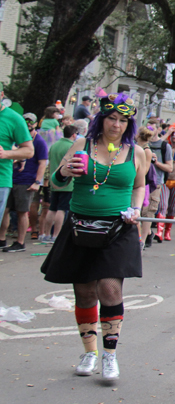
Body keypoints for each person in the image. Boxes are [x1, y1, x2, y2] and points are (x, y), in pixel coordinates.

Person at [41, 93, 147, 381]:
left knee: (110, 288)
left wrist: (135, 208)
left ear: (129, 124)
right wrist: (64, 171)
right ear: (102, 119)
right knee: (85, 291)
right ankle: (89, 352)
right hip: (80, 226)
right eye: (112, 118)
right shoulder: (82, 145)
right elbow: (57, 180)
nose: (116, 125)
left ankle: (110, 355)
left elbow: (140, 187)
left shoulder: (137, 153)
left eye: (123, 120)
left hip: (118, 228)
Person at [1, 113, 48, 252]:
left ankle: (20, 242)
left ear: (35, 124)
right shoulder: (16, 136)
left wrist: (37, 181)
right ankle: (2, 239)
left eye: (30, 122)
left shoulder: (39, 141)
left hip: (26, 181)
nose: (28, 124)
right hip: (11, 178)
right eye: (25, 120)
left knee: (22, 211)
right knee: (5, 210)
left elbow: (42, 163)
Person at [45, 124, 78, 243]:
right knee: (62, 209)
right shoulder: (72, 147)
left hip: (54, 181)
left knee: (52, 208)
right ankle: (56, 235)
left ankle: (45, 234)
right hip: (67, 184)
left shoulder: (54, 145)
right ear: (74, 135)